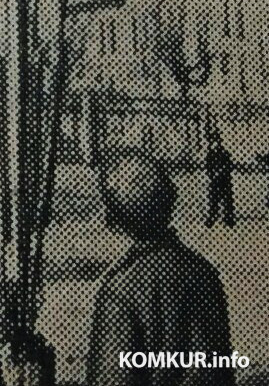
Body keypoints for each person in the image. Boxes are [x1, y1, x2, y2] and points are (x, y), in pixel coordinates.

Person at [86, 155, 234, 386]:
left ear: (115, 217)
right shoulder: (205, 274)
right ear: (170, 199)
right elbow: (221, 370)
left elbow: (111, 377)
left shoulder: (119, 290)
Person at [205, 130, 235, 228]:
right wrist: (213, 175)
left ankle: (228, 219)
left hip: (224, 180)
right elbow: (208, 167)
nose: (217, 143)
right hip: (216, 181)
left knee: (227, 201)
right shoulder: (211, 155)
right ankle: (212, 218)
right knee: (214, 201)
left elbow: (230, 166)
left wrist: (222, 172)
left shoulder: (225, 154)